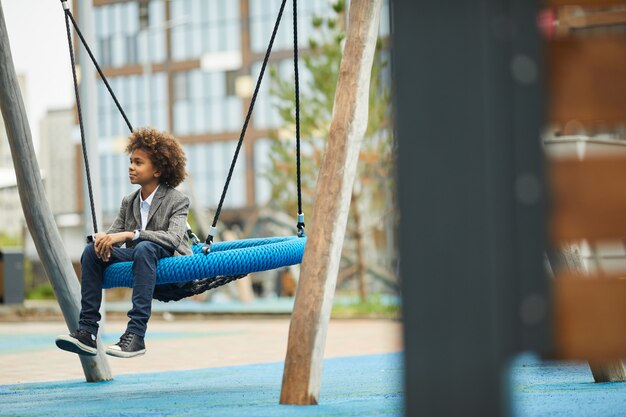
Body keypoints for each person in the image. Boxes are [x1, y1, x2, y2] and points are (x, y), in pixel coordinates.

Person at [55, 127, 191, 358]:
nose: (131, 167)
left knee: (145, 247)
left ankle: (136, 335)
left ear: (157, 169)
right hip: (141, 258)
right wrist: (101, 240)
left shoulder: (177, 199)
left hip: (170, 261)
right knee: (91, 252)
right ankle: (87, 331)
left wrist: (131, 234)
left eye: (138, 162)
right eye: (131, 161)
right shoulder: (129, 202)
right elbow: (114, 234)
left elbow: (173, 238)